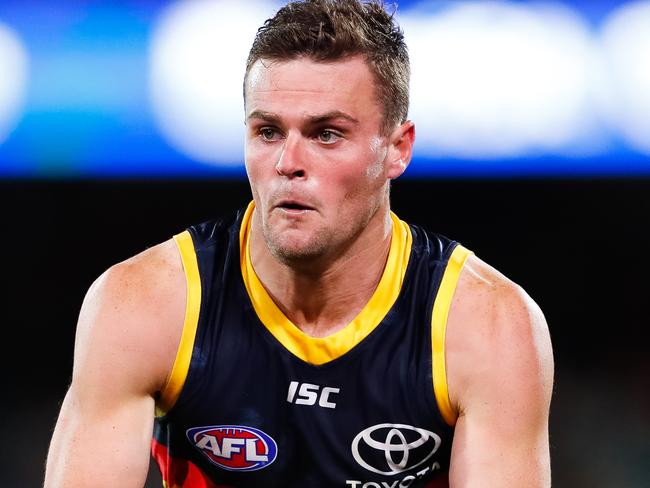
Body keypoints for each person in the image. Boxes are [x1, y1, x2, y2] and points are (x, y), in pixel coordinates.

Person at [44, 1, 554, 487]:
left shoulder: (489, 327)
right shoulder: (143, 305)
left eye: (326, 134)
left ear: (398, 149)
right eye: (267, 132)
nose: (289, 161)